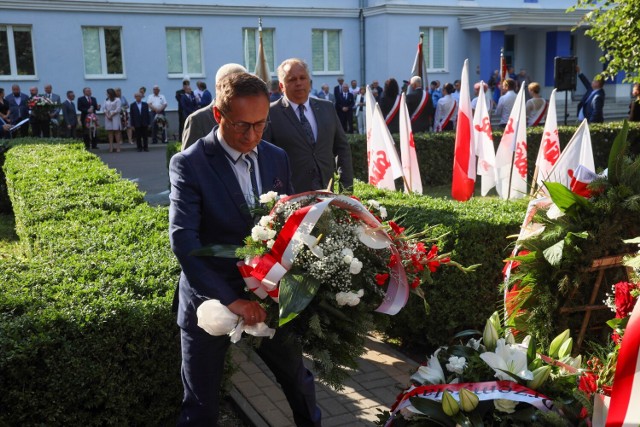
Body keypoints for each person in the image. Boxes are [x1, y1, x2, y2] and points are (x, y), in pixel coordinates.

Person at [169, 71, 321, 427]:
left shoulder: (276, 156)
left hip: (268, 294)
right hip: (209, 301)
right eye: (241, 126)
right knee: (201, 407)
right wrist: (230, 299)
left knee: (299, 384)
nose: (252, 136)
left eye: (260, 125)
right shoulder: (189, 163)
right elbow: (184, 240)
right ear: (218, 115)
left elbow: (285, 222)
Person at [263, 58, 354, 193]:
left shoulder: (327, 108)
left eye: (302, 78)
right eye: (292, 79)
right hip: (291, 200)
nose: (299, 83)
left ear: (309, 83)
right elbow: (264, 158)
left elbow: (342, 149)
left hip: (326, 196)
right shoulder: (270, 113)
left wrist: (346, 190)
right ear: (281, 86)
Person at [181, 63, 247, 150]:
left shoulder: (251, 117)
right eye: (236, 86)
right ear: (218, 88)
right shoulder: (198, 120)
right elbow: (187, 161)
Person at [103, 88, 123, 152]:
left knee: (116, 131)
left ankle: (118, 147)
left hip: (115, 116)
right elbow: (104, 108)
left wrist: (111, 115)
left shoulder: (117, 99)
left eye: (107, 93)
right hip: (108, 116)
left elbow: (118, 108)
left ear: (110, 93)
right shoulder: (106, 100)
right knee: (110, 132)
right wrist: (107, 115)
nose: (106, 94)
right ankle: (111, 147)